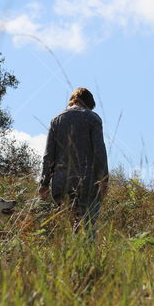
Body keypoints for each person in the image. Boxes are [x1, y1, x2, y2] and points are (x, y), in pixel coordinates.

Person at [39, 87, 109, 237]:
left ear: (72, 100)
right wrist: (104, 180)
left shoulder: (56, 120)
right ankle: (86, 258)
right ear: (88, 104)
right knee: (87, 228)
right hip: (86, 183)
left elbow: (48, 156)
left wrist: (44, 184)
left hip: (60, 184)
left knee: (68, 227)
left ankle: (68, 258)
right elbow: (99, 151)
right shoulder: (93, 118)